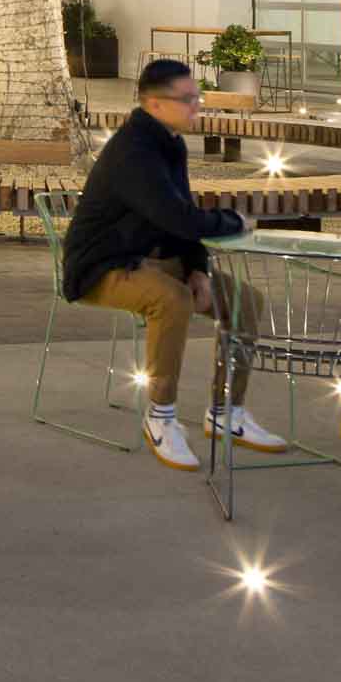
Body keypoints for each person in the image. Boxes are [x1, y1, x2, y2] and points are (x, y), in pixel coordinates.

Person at [62, 57, 284, 471]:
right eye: (186, 99)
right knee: (173, 300)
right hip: (103, 265)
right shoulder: (134, 150)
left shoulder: (170, 143)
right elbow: (176, 217)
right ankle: (160, 416)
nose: (195, 106)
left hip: (156, 259)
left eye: (196, 97)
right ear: (153, 103)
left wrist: (198, 266)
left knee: (245, 302)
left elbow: (181, 212)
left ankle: (225, 412)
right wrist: (235, 222)